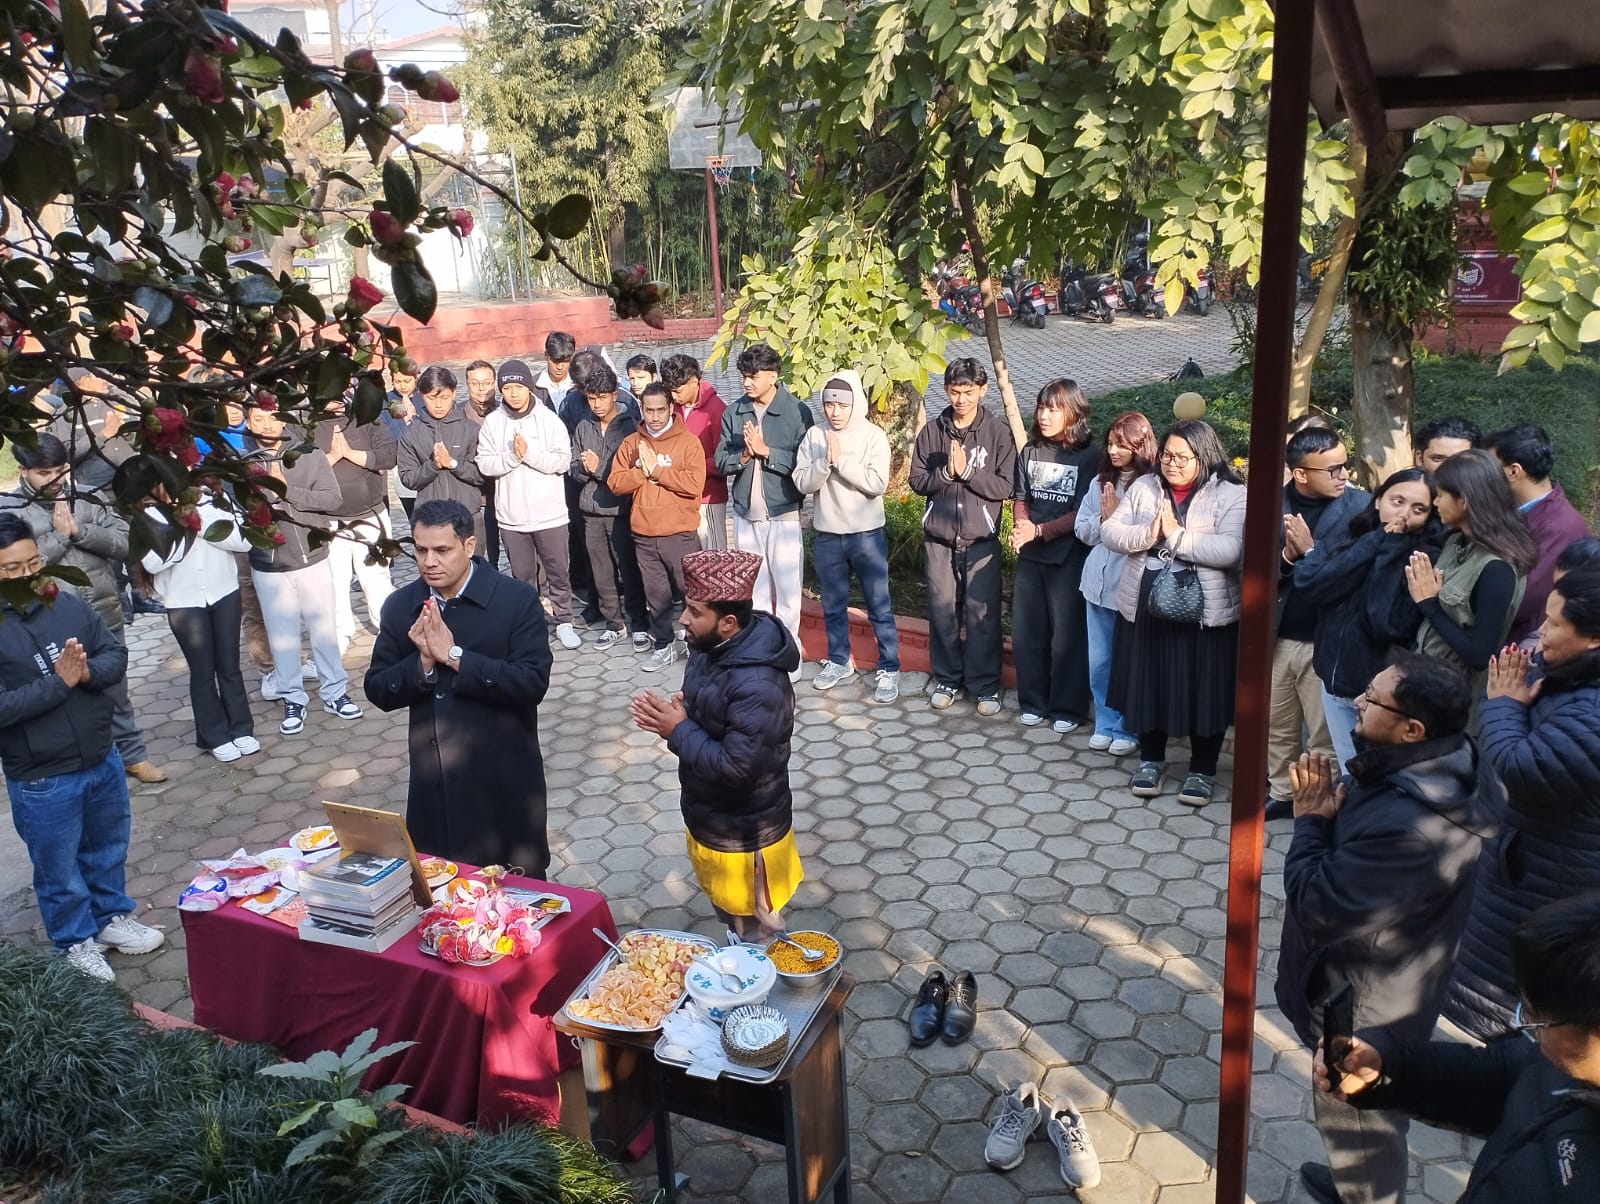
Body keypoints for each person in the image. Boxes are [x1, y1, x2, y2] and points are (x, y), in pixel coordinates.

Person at [1274, 654, 1490, 1204]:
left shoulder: (1411, 829)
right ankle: (1355, 1183)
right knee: (1364, 1114)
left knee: (1360, 1113)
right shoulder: (1439, 763)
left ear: (1411, 729)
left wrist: (1311, 823)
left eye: (1371, 700)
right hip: (1390, 981)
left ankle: (1367, 1193)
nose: (1358, 705)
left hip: (1366, 1007)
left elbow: (1319, 904)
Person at [1317, 893, 1600, 1204]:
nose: (1522, 1024)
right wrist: (1385, 1066)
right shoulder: (1563, 1065)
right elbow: (1502, 1076)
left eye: (1537, 1020)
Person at [0, 512, 164, 982]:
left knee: (108, 847)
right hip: (42, 774)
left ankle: (112, 919)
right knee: (58, 869)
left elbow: (114, 653)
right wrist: (60, 683)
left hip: (100, 754)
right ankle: (73, 941)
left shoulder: (65, 603)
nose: (26, 575)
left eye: (32, 562)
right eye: (10, 569)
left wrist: (89, 673)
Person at [1444, 566, 1600, 1043]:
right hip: (1529, 868)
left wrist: (1502, 703)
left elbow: (1521, 767)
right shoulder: (1571, 676)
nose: (1541, 634)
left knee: (1514, 1030)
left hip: (1548, 883)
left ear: (1593, 638)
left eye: (1554, 625)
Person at [364, 499, 555, 877]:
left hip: (504, 783)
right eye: (420, 550)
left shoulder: (515, 601)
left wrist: (454, 655)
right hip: (435, 785)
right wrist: (421, 663)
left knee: (517, 900)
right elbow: (378, 688)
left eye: (442, 550)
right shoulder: (402, 606)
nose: (429, 561)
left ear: (469, 546)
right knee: (442, 896)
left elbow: (532, 682)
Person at [630, 548, 803, 943]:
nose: (683, 620)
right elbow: (716, 709)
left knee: (756, 933)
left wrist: (677, 730)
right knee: (733, 922)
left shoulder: (759, 684)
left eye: (694, 611)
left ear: (727, 623)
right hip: (713, 820)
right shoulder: (712, 647)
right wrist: (688, 709)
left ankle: (767, 989)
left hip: (745, 836)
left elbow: (738, 769)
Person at [0, 436, 166, 785]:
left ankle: (133, 756)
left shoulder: (86, 496)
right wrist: (60, 538)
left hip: (103, 610)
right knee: (65, 697)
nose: (55, 478)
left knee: (116, 690)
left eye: (60, 470)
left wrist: (80, 531)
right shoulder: (10, 511)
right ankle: (92, 763)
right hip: (46, 623)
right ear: (23, 470)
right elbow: (18, 566)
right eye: (44, 472)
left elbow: (126, 544)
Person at [1101, 419, 1245, 806]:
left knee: (1204, 690)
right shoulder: (1145, 486)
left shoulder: (1232, 494)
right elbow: (1111, 533)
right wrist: (1149, 534)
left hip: (1205, 613)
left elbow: (1230, 550)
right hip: (1145, 607)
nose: (1172, 464)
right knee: (1149, 684)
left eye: (1183, 457)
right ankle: (1151, 760)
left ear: (1205, 456)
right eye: (1166, 455)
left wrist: (1176, 538)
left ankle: (1203, 769)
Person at [1292, 469, 1444, 779]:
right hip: (1331, 682)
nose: (1403, 514)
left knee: (1369, 778)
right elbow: (1312, 585)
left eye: (1418, 509)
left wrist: (1388, 549)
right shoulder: (1353, 536)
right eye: (1397, 501)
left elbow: (1385, 622)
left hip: (1379, 695)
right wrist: (1375, 541)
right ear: (1378, 501)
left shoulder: (1422, 558)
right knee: (1350, 773)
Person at [243, 401, 364, 735]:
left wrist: (286, 490)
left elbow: (331, 499)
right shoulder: (242, 466)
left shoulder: (308, 454)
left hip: (312, 557)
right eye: (258, 418)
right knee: (282, 637)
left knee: (324, 630)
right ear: (248, 423)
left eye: (272, 416)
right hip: (269, 564)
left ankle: (335, 692)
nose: (267, 425)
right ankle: (292, 697)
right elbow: (238, 513)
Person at [909, 359, 1019, 716]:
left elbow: (1006, 485)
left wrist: (968, 472)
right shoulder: (931, 432)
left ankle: (985, 686)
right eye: (955, 392)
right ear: (946, 391)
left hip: (981, 540)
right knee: (942, 613)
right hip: (939, 539)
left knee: (981, 615)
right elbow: (917, 480)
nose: (961, 399)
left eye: (968, 391)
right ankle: (947, 680)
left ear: (982, 390)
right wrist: (945, 473)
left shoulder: (997, 433)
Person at [1271, 426, 1371, 814]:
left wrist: (1312, 552)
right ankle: (1281, 793)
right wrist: (1289, 559)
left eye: (1344, 465)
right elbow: (1250, 567)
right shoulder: (1270, 504)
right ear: (1300, 474)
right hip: (1278, 637)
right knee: (1277, 727)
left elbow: (1357, 570)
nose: (1344, 475)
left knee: (1324, 734)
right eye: (1333, 469)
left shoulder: (1362, 507)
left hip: (1328, 641)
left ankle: (1324, 802)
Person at [792, 370, 899, 703]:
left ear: (856, 405)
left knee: (878, 605)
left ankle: (889, 667)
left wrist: (840, 463)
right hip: (827, 536)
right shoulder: (814, 435)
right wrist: (825, 463)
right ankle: (839, 660)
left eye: (841, 405)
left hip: (866, 535)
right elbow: (801, 481)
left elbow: (876, 483)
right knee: (833, 605)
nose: (834, 412)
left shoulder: (873, 436)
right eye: (828, 404)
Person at [139, 490, 260, 764]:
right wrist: (184, 530)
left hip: (225, 592)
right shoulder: (149, 515)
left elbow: (243, 541)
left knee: (229, 665)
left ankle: (241, 728)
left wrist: (200, 521)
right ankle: (214, 735)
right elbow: (152, 562)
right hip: (184, 602)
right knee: (202, 670)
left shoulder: (213, 500)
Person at [1009, 380, 1099, 732]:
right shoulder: (1030, 451)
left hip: (1069, 559)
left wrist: (1041, 531)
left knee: (1068, 637)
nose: (1044, 416)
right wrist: (1022, 527)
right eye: (1041, 407)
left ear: (1073, 412)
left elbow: (1082, 511)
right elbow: (1020, 498)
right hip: (1031, 558)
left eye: (1053, 409)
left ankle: (1069, 708)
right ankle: (1032, 701)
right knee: (1028, 633)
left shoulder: (1090, 456)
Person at [715, 343, 814, 662]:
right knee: (752, 588)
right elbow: (720, 461)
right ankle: (757, 647)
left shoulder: (796, 411)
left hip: (783, 513)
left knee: (786, 590)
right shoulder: (734, 411)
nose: (746, 382)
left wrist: (766, 451)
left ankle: (789, 649)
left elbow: (804, 463)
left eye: (752, 376)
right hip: (745, 516)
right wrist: (744, 454)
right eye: (743, 376)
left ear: (773, 375)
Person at [1407, 449, 1537, 691]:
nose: (1434, 503)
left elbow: (1479, 656)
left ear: (1464, 500)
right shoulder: (1455, 541)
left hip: (1454, 698)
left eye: (1441, 495)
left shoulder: (1496, 569)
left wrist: (1429, 604)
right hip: (1425, 679)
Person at [476, 358, 581, 650]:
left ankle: (564, 621)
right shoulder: (493, 423)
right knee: (522, 578)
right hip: (512, 518)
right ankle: (531, 625)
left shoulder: (548, 419)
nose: (513, 393)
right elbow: (484, 462)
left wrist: (529, 455)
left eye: (518, 387)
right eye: (507, 388)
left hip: (550, 516)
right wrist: (511, 457)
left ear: (528, 387)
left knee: (558, 572)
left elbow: (563, 461)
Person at [608, 383, 706, 672]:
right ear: (641, 409)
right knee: (656, 596)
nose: (654, 416)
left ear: (671, 408)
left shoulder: (688, 443)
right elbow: (615, 483)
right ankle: (664, 645)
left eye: (660, 410)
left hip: (680, 535)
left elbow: (693, 485)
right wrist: (641, 472)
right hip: (644, 536)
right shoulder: (631, 444)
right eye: (648, 410)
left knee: (692, 595)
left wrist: (659, 472)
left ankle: (698, 646)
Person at [1075, 412, 1156, 757]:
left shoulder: (1152, 487)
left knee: (1129, 662)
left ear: (1141, 446)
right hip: (1096, 585)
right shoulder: (1099, 483)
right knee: (1100, 661)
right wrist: (1104, 521)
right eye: (1110, 444)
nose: (1114, 451)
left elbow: (1150, 536)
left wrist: (1118, 524)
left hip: (1131, 588)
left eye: (1122, 445)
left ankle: (1128, 726)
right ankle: (1105, 723)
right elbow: (1082, 530)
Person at [1487, 424, 1591, 648]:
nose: (1484, 477)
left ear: (1514, 471)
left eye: (1491, 468)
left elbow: (1521, 602)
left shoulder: (1561, 527)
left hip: (1521, 646)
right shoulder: (1518, 509)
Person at [313, 392, 398, 650]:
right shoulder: (305, 423)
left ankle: (390, 632)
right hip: (327, 521)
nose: (335, 397)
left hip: (369, 516)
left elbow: (389, 455)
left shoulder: (365, 417)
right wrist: (331, 458)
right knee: (334, 582)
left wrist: (352, 454)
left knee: (376, 578)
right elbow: (299, 469)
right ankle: (340, 634)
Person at [571, 366, 647, 649]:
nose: (597, 404)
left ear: (615, 395)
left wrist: (598, 468)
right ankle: (614, 623)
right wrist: (583, 469)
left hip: (621, 512)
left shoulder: (630, 427)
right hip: (590, 511)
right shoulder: (583, 426)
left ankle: (639, 622)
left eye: (603, 397)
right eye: (592, 398)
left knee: (629, 568)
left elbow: (630, 473)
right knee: (600, 572)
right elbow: (574, 469)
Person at [398, 365, 486, 547]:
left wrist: (452, 463)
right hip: (430, 520)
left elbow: (481, 474)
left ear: (454, 393)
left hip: (468, 515)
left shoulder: (471, 430)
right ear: (422, 396)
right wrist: (433, 465)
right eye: (432, 398)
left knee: (475, 570)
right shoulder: (411, 434)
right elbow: (408, 478)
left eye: (444, 397)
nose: (438, 405)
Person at [662, 353, 729, 551]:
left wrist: (690, 466)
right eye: (670, 391)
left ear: (694, 382)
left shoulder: (717, 411)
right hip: (676, 496)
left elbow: (723, 461)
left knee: (713, 557)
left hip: (708, 498)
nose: (674, 396)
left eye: (677, 390)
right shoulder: (672, 409)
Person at [463, 358, 501, 569]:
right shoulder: (458, 415)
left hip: (502, 494)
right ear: (467, 385)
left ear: (494, 382)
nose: (481, 389)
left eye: (486, 382)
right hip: (472, 496)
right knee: (475, 554)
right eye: (475, 383)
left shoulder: (505, 412)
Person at [385, 364, 419, 522]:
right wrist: (403, 419)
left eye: (407, 380)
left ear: (416, 378)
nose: (403, 386)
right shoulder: (385, 402)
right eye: (398, 381)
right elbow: (384, 435)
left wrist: (415, 418)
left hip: (428, 464)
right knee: (414, 518)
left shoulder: (426, 396)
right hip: (402, 465)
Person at [1412, 414, 1481, 474]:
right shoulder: (1404, 488)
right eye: (1438, 458)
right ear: (1420, 460)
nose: (1448, 468)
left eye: (1460, 460)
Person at [533, 330, 577, 414]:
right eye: (555, 361)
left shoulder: (580, 386)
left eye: (565, 361)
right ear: (546, 356)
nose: (560, 367)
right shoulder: (533, 387)